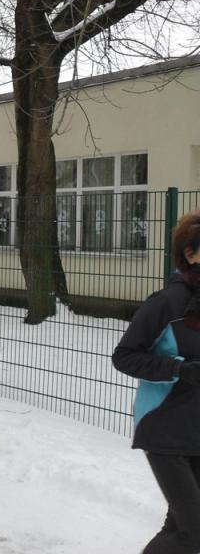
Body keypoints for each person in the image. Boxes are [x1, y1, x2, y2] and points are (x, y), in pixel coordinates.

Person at [113, 211, 200, 554]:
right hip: (164, 426)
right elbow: (124, 356)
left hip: (196, 429)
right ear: (190, 253)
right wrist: (178, 369)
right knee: (194, 533)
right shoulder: (166, 303)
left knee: (180, 525)